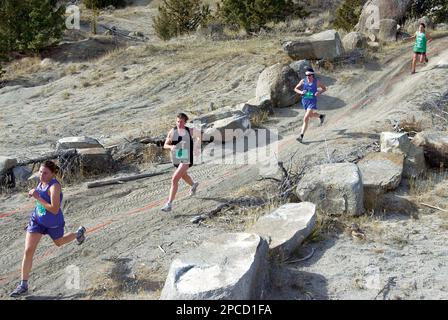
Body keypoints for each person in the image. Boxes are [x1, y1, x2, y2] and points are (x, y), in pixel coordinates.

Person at [10, 160, 86, 298]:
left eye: (45, 173)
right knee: (28, 250)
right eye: (40, 172)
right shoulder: (41, 182)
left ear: (52, 174)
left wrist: (37, 197)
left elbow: (55, 209)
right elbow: (40, 201)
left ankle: (78, 233)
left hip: (53, 222)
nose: (41, 175)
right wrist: (35, 195)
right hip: (37, 221)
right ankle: (23, 285)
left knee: (59, 242)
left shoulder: (54, 186)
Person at [161, 113, 200, 212]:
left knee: (174, 179)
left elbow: (199, 135)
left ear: (185, 122)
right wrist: (171, 147)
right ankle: (193, 185)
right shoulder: (172, 132)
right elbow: (165, 145)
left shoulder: (189, 130)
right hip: (177, 156)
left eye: (181, 122)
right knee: (183, 175)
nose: (179, 123)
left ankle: (169, 204)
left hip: (187, 156)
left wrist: (196, 146)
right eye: (178, 121)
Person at [294, 68, 327, 143]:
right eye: (306, 75)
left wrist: (318, 93)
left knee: (306, 118)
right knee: (311, 115)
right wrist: (301, 92)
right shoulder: (303, 81)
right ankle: (321, 116)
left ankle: (301, 136)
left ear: (312, 75)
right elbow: (295, 89)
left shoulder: (316, 82)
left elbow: (324, 88)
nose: (307, 77)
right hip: (304, 101)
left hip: (312, 101)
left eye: (309, 75)